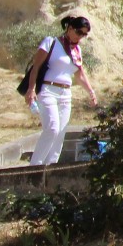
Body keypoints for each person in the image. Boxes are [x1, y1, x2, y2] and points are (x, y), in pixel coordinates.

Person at [22, 14, 97, 167]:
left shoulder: (77, 51)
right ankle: (35, 167)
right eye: (78, 32)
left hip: (65, 94)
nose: (80, 37)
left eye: (84, 34)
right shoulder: (51, 42)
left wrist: (91, 92)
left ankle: (51, 168)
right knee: (52, 128)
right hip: (48, 90)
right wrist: (31, 89)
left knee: (60, 134)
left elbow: (79, 73)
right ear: (69, 28)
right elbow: (35, 67)